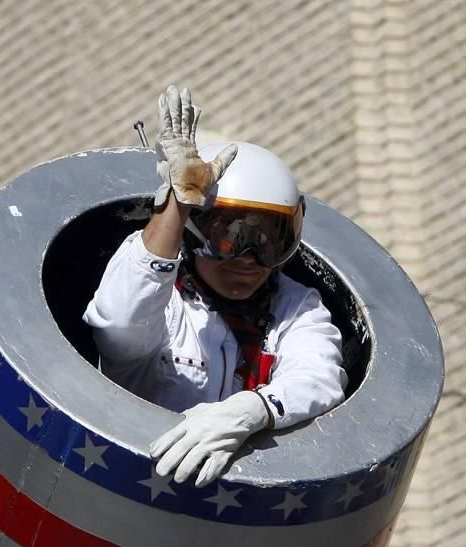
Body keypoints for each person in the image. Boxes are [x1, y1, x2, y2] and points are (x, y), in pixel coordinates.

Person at [83, 85, 347, 487]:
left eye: (266, 240)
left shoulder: (295, 307)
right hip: (128, 487)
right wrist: (179, 202)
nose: (246, 257)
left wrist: (252, 410)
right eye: (229, 236)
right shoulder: (165, 300)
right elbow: (118, 325)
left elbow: (319, 375)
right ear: (195, 231)